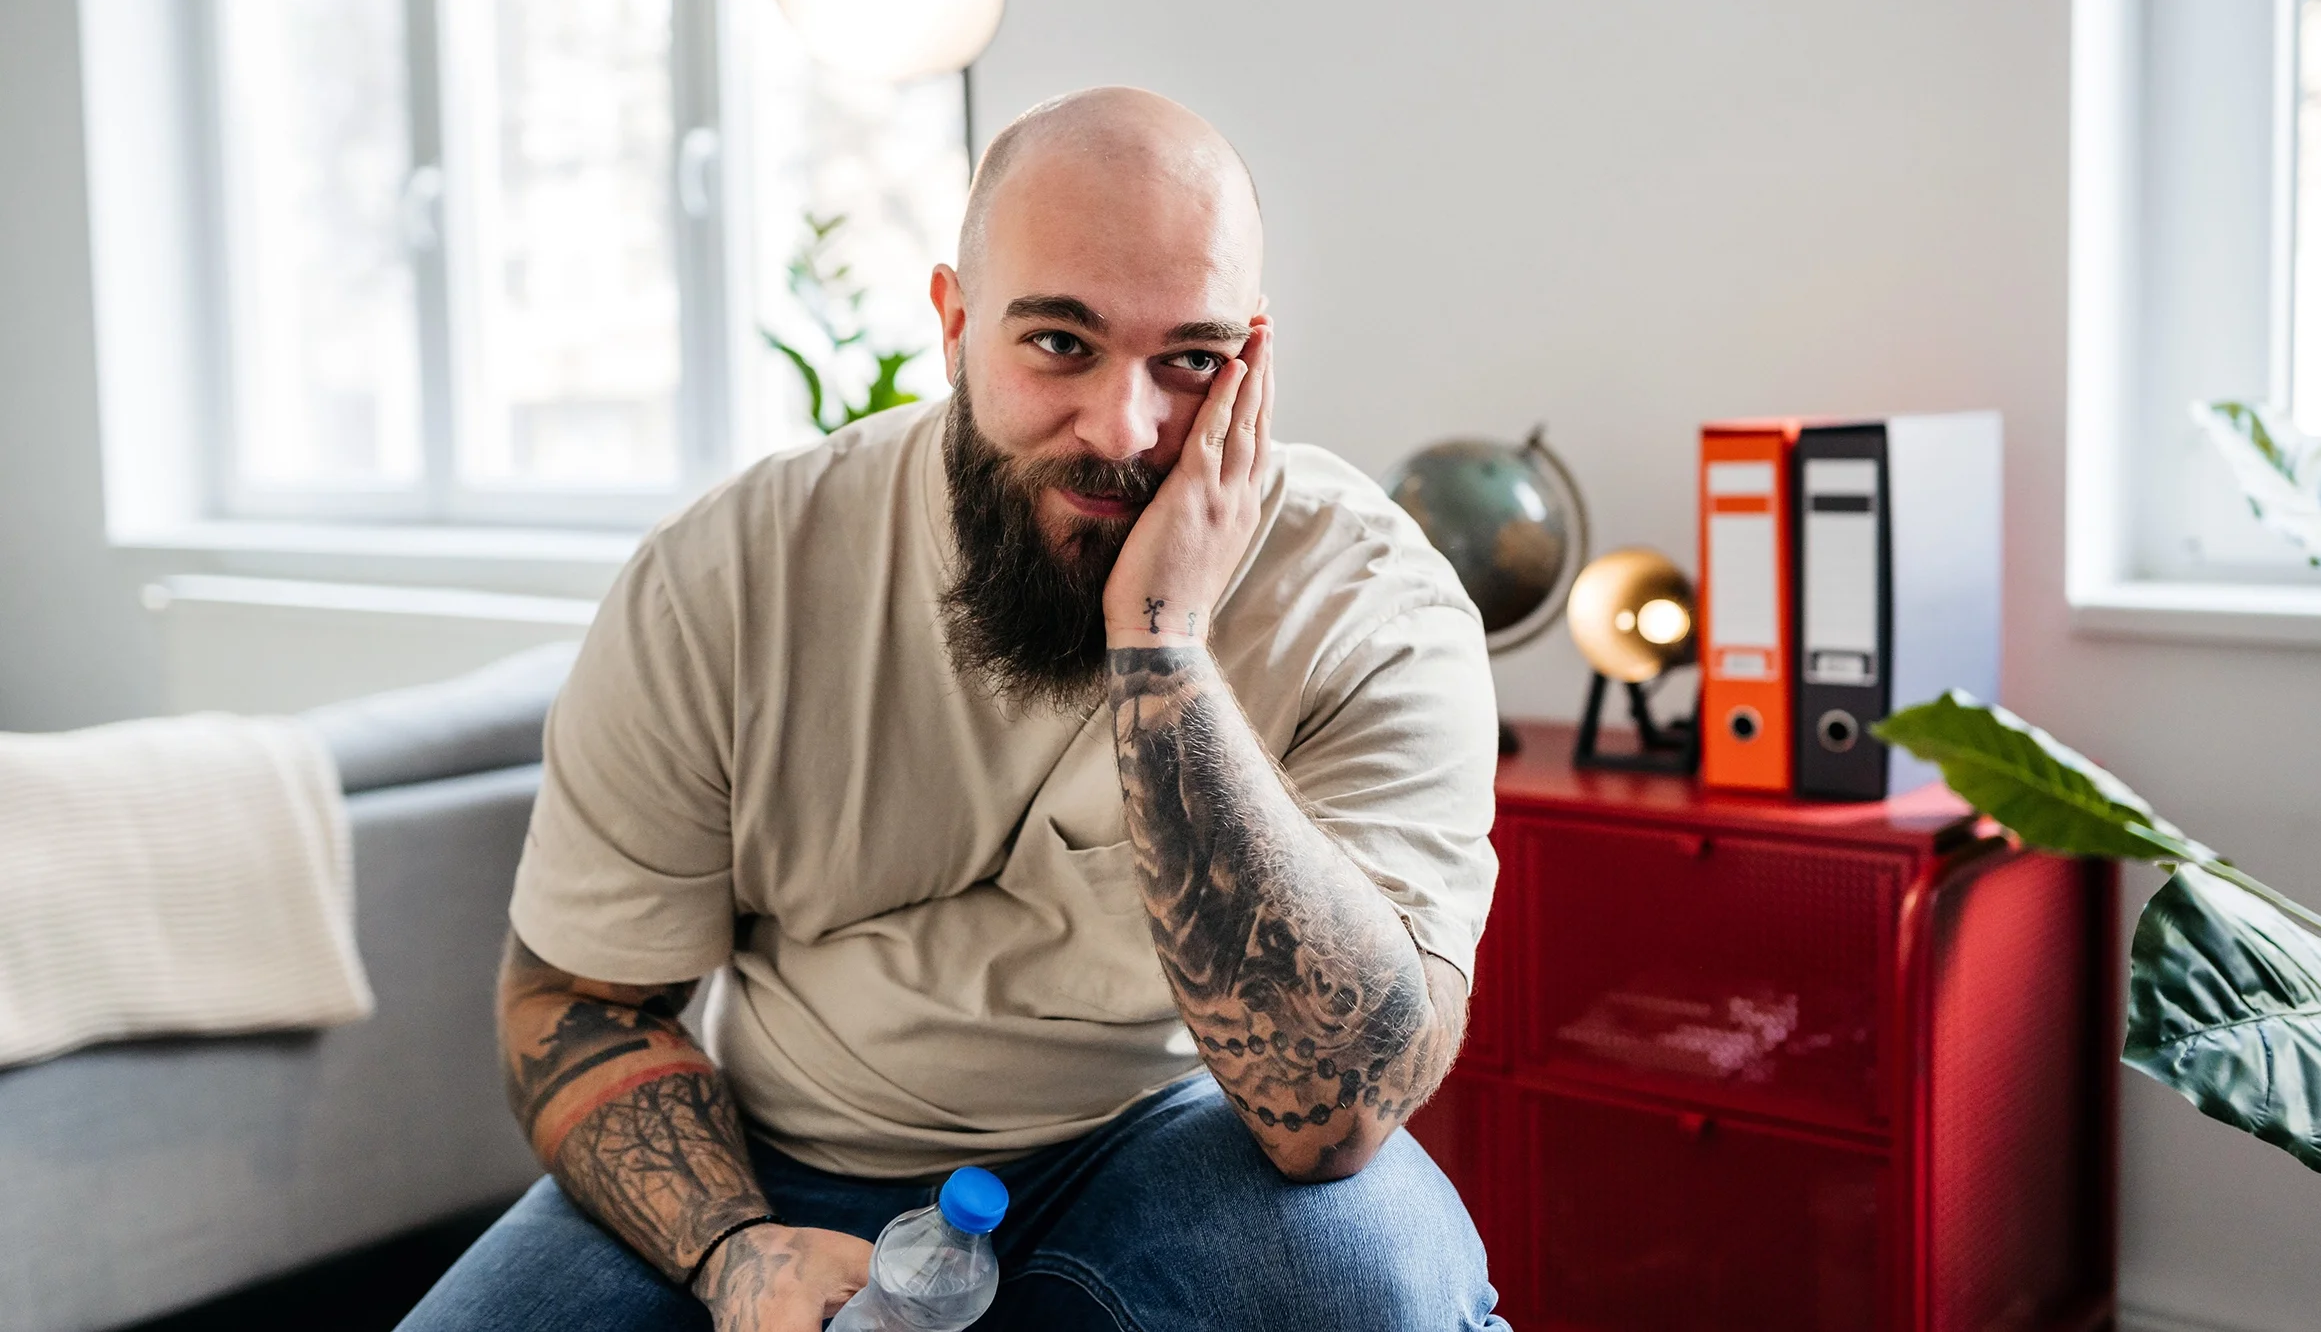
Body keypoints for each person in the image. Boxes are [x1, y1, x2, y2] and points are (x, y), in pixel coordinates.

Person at [400, 86, 1506, 1332]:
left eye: (1189, 362)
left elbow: (1338, 1112)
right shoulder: (727, 577)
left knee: (1366, 1280)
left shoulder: (1368, 601)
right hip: (783, 1156)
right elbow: (576, 1002)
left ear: (1250, 360)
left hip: (1175, 1139)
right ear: (955, 322)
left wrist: (1163, 649)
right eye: (1060, 344)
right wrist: (731, 1251)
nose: (1124, 428)